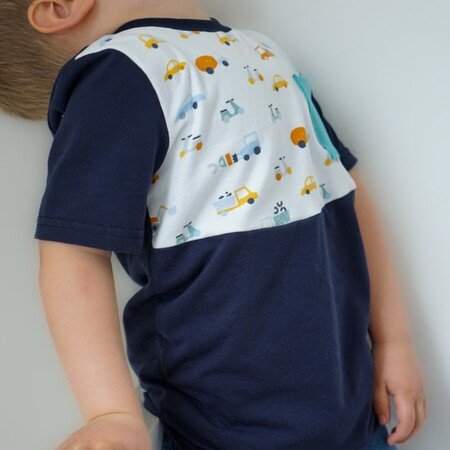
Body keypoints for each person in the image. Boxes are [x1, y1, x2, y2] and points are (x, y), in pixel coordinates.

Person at [0, 1, 427, 449]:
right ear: (61, 6)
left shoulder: (259, 51)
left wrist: (394, 339)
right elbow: (72, 251)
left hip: (353, 418)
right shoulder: (117, 73)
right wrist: (111, 413)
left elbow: (344, 189)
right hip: (222, 431)